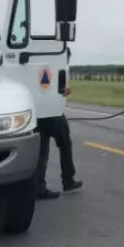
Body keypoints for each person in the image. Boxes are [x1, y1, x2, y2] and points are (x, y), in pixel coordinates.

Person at [35, 48, 83, 200]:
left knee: (42, 152)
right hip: (53, 115)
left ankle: (38, 187)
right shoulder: (56, 70)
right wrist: (63, 91)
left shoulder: (42, 68)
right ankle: (68, 180)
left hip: (39, 115)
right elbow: (50, 90)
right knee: (65, 146)